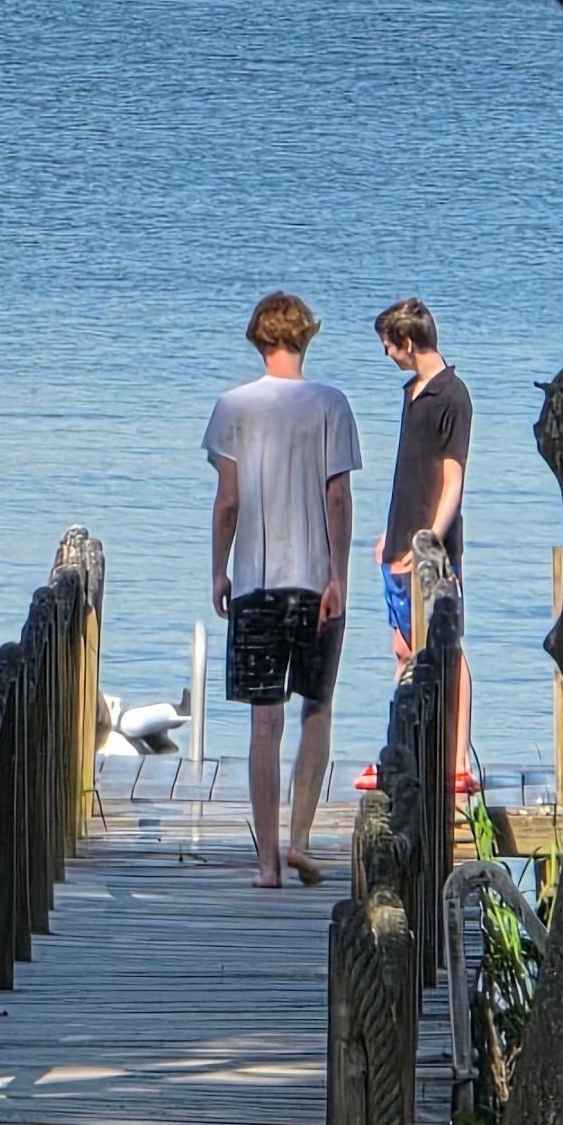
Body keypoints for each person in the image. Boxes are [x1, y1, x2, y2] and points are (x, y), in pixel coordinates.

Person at [206, 291, 360, 887]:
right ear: (306, 337)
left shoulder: (232, 407)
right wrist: (338, 575)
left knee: (263, 725)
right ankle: (300, 838)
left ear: (257, 339)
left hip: (257, 582)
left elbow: (228, 502)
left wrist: (219, 570)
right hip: (316, 579)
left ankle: (267, 862)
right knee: (316, 711)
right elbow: (338, 496)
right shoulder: (332, 405)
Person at [374, 299, 475, 795]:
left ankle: (456, 762)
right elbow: (408, 472)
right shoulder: (411, 392)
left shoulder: (451, 396)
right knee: (402, 648)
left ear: (408, 342)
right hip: (398, 538)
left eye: (388, 346)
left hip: (431, 545)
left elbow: (452, 477)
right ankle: (404, 753)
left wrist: (432, 537)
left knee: (445, 649)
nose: (387, 354)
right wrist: (388, 533)